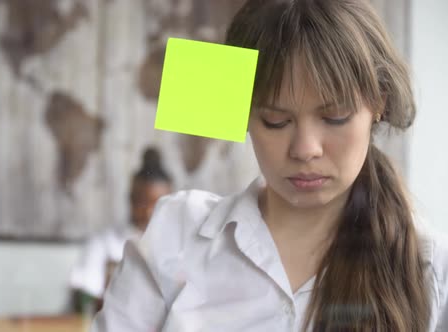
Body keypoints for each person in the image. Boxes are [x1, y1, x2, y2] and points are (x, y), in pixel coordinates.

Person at [91, 1, 448, 331]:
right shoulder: (178, 230)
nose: (305, 150)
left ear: (379, 103)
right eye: (276, 121)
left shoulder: (428, 263)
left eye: (335, 117)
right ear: (242, 114)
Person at [69, 147, 173, 315]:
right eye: (143, 202)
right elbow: (82, 297)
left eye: (158, 205)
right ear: (131, 199)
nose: (148, 212)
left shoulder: (178, 246)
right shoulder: (105, 243)